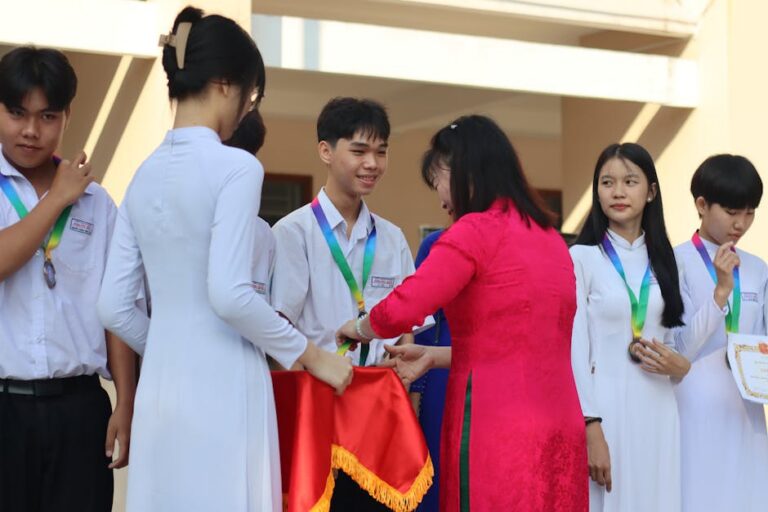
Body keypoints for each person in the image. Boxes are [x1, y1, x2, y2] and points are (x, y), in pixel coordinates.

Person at [96, 8, 352, 512]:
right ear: (223, 83)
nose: (245, 110)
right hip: (224, 379)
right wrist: (312, 355)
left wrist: (171, 341)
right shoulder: (236, 167)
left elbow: (112, 305)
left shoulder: (143, 174)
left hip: (162, 389)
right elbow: (231, 293)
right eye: (249, 96)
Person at [338, 115, 588, 511]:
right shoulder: (550, 239)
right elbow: (521, 345)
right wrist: (435, 357)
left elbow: (409, 303)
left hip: (496, 424)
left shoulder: (474, 232)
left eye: (437, 179)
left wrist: (360, 327)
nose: (439, 197)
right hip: (561, 423)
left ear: (462, 172)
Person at [269, 97, 431, 511]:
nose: (372, 163)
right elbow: (278, 325)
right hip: (317, 401)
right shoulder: (294, 233)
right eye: (359, 151)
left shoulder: (391, 238)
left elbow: (408, 322)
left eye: (381, 151)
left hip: (380, 403)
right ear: (326, 151)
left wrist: (403, 375)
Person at [0, 46, 137, 511]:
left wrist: (125, 400)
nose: (32, 131)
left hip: (80, 409)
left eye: (47, 116)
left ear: (66, 116)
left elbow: (115, 307)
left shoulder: (98, 204)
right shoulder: (67, 196)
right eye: (17, 113)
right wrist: (56, 201)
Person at [569, 143, 691, 511]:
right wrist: (592, 426)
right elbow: (575, 349)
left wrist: (682, 367)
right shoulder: (582, 257)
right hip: (605, 407)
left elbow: (677, 343)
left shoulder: (669, 261)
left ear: (651, 191)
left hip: (658, 406)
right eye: (607, 182)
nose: (618, 191)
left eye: (629, 181)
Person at [672, 154, 768, 512]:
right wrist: (720, 294)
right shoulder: (673, 261)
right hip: (692, 409)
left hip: (747, 411)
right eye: (731, 212)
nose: (741, 224)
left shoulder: (758, 268)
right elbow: (679, 347)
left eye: (750, 212)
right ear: (701, 203)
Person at [409, 229, 451, 512]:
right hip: (441, 377)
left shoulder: (523, 242)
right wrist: (415, 396)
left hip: (502, 384)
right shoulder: (436, 244)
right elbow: (420, 325)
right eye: (435, 181)